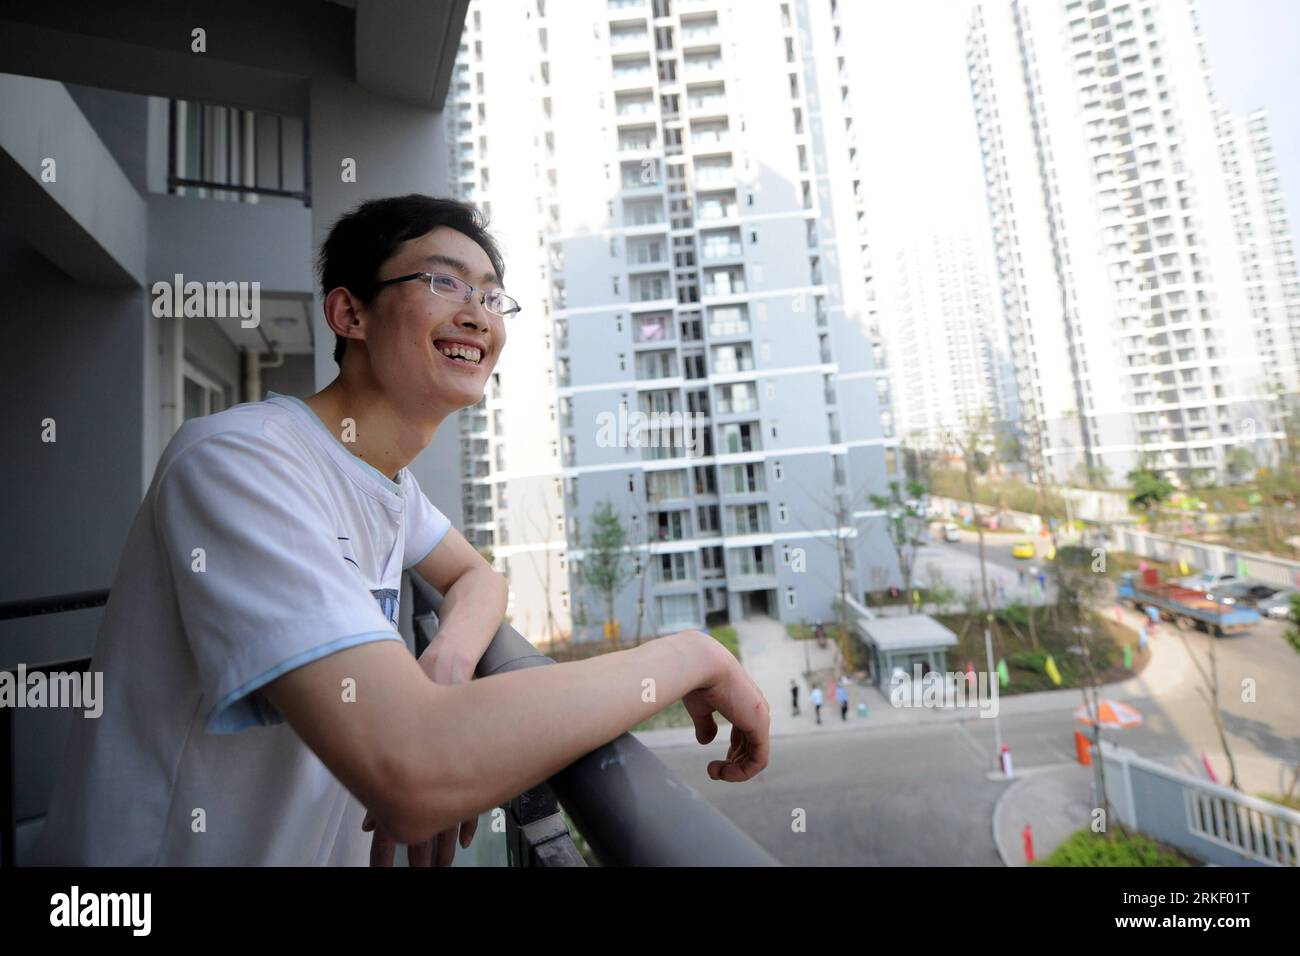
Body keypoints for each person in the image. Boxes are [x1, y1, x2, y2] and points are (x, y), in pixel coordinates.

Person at [35, 195, 769, 867]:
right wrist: (689, 655)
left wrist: (446, 663)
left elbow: (480, 576)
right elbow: (412, 767)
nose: (478, 313)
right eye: (443, 283)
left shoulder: (391, 487)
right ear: (350, 314)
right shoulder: (238, 460)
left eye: (490, 293)